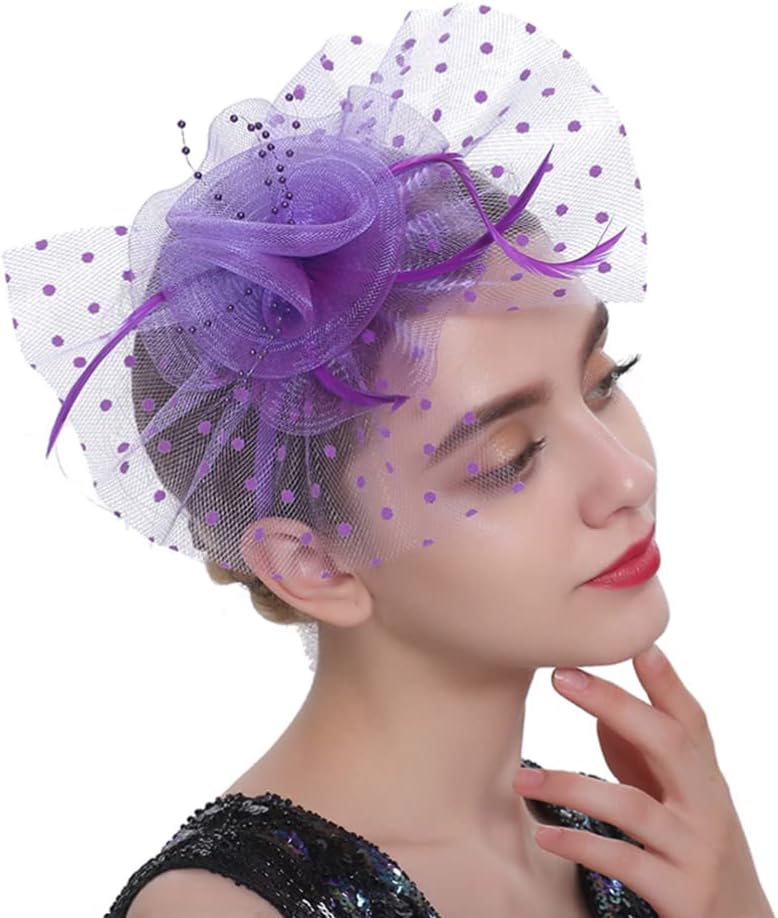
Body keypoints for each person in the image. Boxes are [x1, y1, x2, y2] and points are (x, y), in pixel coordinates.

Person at [6, 4, 770, 917]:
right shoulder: (227, 910)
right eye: (512, 456)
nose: (629, 479)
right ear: (313, 563)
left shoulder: (648, 853)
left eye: (603, 382)